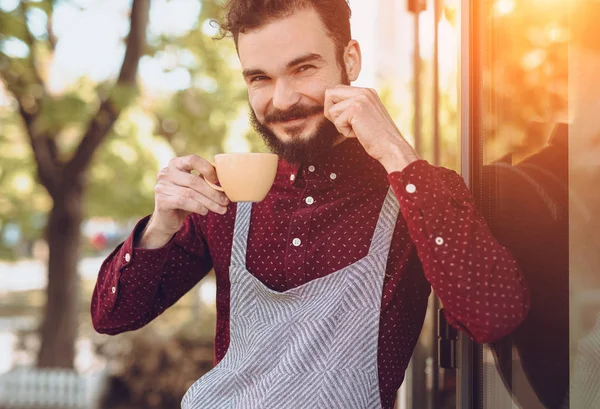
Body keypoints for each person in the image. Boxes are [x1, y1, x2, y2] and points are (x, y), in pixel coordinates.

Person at [91, 1, 530, 408]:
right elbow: (112, 316)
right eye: (259, 77)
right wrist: (159, 228)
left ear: (350, 61)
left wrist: (397, 154)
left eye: (303, 69)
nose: (281, 101)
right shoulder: (230, 191)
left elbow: (493, 316)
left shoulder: (417, 191)